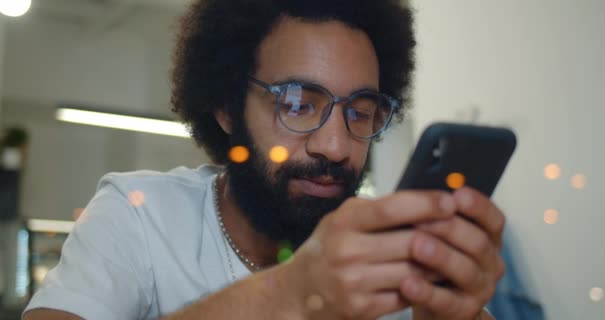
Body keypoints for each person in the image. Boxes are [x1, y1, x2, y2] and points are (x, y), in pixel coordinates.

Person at [24, 0, 505, 319]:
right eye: (297, 103)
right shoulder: (138, 217)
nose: (335, 147)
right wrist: (292, 292)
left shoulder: (395, 266)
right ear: (227, 106)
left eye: (360, 112)